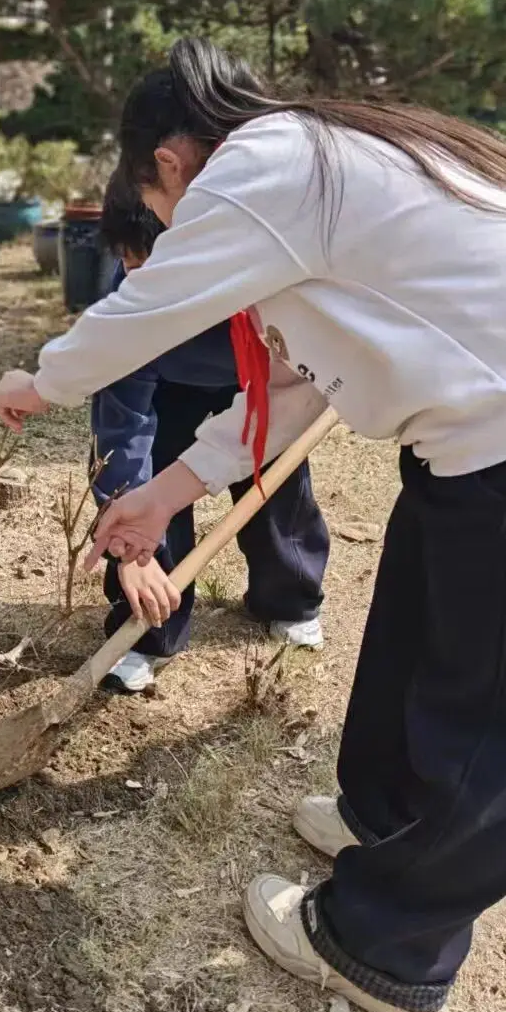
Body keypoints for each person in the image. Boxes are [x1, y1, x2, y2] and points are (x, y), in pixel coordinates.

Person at [0, 36, 506, 1012]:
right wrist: (165, 492)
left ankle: (383, 947)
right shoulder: (315, 166)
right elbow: (291, 391)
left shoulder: (260, 167)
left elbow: (140, 314)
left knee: (493, 717)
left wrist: (36, 383)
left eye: (157, 206)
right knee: (411, 634)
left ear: (165, 163)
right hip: (476, 432)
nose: (168, 227)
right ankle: (379, 818)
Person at [92, 171, 328, 694]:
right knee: (151, 493)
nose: (140, 285)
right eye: (129, 267)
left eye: (153, 272)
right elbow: (122, 421)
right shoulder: (125, 307)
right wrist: (128, 529)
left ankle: (289, 597)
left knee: (276, 489)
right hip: (168, 387)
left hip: (261, 379)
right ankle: (147, 631)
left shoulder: (264, 278)